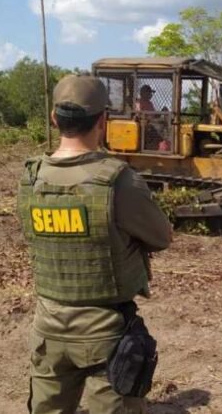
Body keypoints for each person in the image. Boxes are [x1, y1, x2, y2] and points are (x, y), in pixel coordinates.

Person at [18, 75, 172, 414]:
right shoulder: (117, 180)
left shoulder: (31, 178)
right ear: (103, 121)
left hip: (48, 328)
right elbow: (162, 237)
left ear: (55, 119)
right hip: (108, 332)